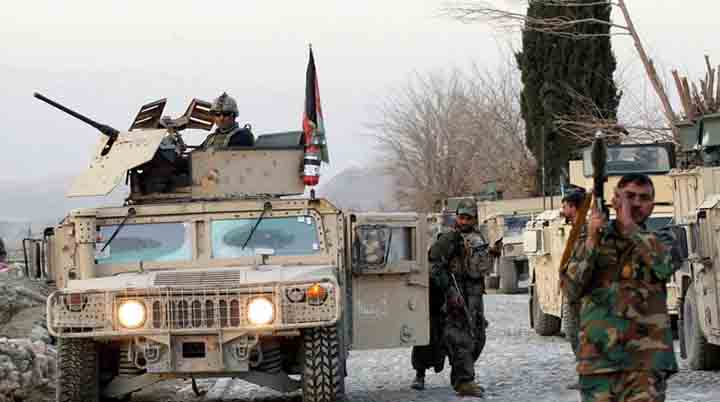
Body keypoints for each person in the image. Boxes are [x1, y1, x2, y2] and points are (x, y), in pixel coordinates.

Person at [560, 173, 679, 402]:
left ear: (652, 205)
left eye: (644, 198)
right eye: (629, 196)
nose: (636, 203)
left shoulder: (663, 238)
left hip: (646, 362)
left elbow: (664, 266)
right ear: (615, 200)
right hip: (598, 362)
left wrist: (629, 226)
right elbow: (570, 289)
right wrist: (591, 239)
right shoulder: (593, 239)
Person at [413, 200, 498, 397]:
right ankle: (464, 381)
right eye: (461, 217)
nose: (464, 221)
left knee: (478, 338)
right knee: (460, 339)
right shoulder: (449, 238)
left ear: (474, 219)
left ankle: (462, 374)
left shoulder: (478, 237)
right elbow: (433, 265)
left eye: (468, 218)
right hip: (455, 296)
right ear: (457, 217)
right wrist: (450, 291)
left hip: (474, 295)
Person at [559, 187, 587, 390]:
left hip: (582, 292)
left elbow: (585, 260)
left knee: (582, 334)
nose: (562, 210)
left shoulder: (585, 230)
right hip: (573, 291)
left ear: (573, 207)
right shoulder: (577, 228)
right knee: (572, 332)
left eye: (565, 206)